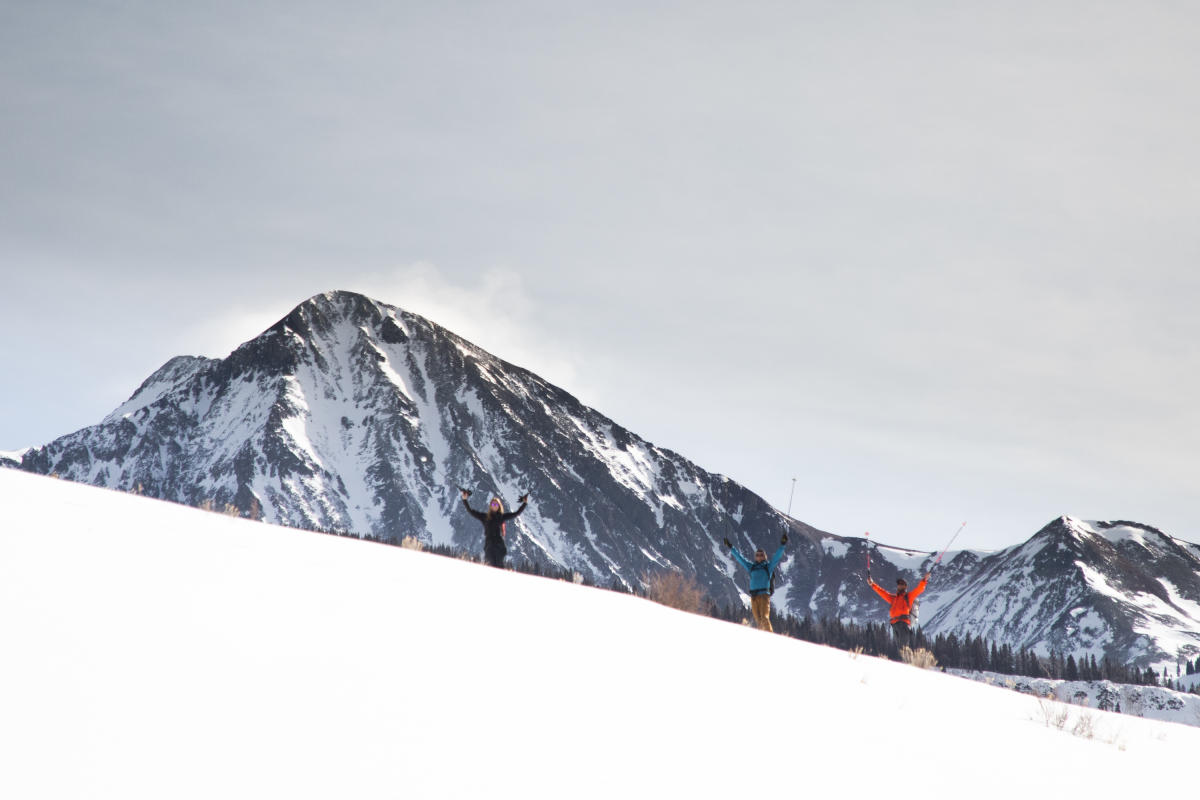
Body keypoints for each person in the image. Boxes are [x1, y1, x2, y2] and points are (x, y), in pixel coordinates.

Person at [723, 534, 787, 631]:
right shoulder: (751, 567)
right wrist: (731, 547)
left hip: (764, 596)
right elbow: (740, 559)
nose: (759, 556)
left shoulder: (768, 567)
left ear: (765, 557)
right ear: (755, 557)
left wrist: (782, 545)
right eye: (757, 555)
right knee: (758, 621)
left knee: (764, 618)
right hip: (754, 597)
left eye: (761, 555)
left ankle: (771, 637)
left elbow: (776, 557)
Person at [461, 489, 528, 569]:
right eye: (493, 504)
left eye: (496, 504)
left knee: (499, 567)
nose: (494, 506)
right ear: (490, 506)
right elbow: (471, 511)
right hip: (489, 545)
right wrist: (464, 499)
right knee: (491, 566)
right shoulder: (485, 517)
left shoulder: (502, 517)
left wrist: (524, 503)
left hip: (499, 545)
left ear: (499, 506)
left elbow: (516, 513)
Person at [868, 572, 929, 647]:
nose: (899, 585)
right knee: (899, 647)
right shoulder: (893, 598)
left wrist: (924, 580)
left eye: (901, 584)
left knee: (903, 646)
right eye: (899, 584)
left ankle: (907, 654)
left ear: (905, 586)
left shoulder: (908, 596)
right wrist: (872, 584)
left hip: (903, 624)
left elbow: (919, 589)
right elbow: (882, 593)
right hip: (894, 624)